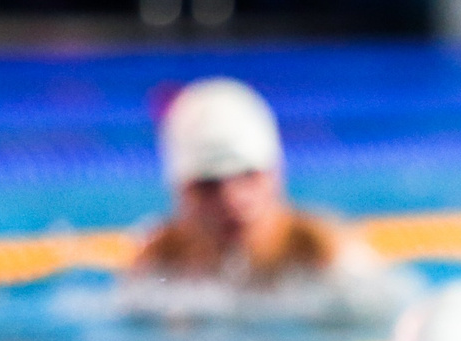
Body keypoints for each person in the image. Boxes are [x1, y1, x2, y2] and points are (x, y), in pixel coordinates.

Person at [128, 77, 368, 287]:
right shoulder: (159, 260)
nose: (232, 199)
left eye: (248, 175)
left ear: (276, 175)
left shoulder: (323, 250)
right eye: (209, 184)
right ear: (180, 192)